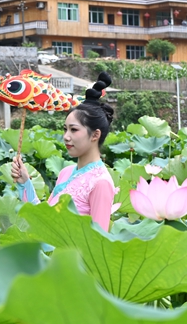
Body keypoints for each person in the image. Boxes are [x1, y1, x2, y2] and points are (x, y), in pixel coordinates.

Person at [10, 73, 117, 230]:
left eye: (74, 130)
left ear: (95, 134)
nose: (66, 137)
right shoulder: (66, 173)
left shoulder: (101, 183)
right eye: (65, 129)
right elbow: (45, 223)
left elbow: (98, 243)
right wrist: (25, 182)